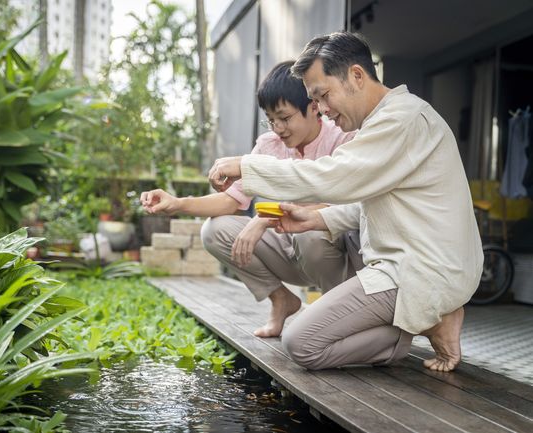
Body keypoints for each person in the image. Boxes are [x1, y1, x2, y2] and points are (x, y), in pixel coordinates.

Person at [207, 32, 483, 372]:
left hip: (418, 271)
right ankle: (420, 318)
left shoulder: (403, 119)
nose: (321, 110)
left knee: (301, 344)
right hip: (397, 267)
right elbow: (370, 199)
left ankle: (425, 322)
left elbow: (333, 175)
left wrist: (247, 167)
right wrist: (316, 220)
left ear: (355, 75)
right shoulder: (384, 121)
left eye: (323, 96)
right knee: (305, 333)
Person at [140, 60, 360, 338]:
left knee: (310, 234)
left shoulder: (342, 137)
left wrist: (263, 220)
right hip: (289, 250)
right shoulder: (268, 145)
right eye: (270, 119)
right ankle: (281, 299)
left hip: (331, 256)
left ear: (313, 107)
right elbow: (230, 201)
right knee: (215, 230)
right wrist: (177, 203)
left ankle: (338, 312)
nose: (277, 127)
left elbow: (349, 204)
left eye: (285, 117)